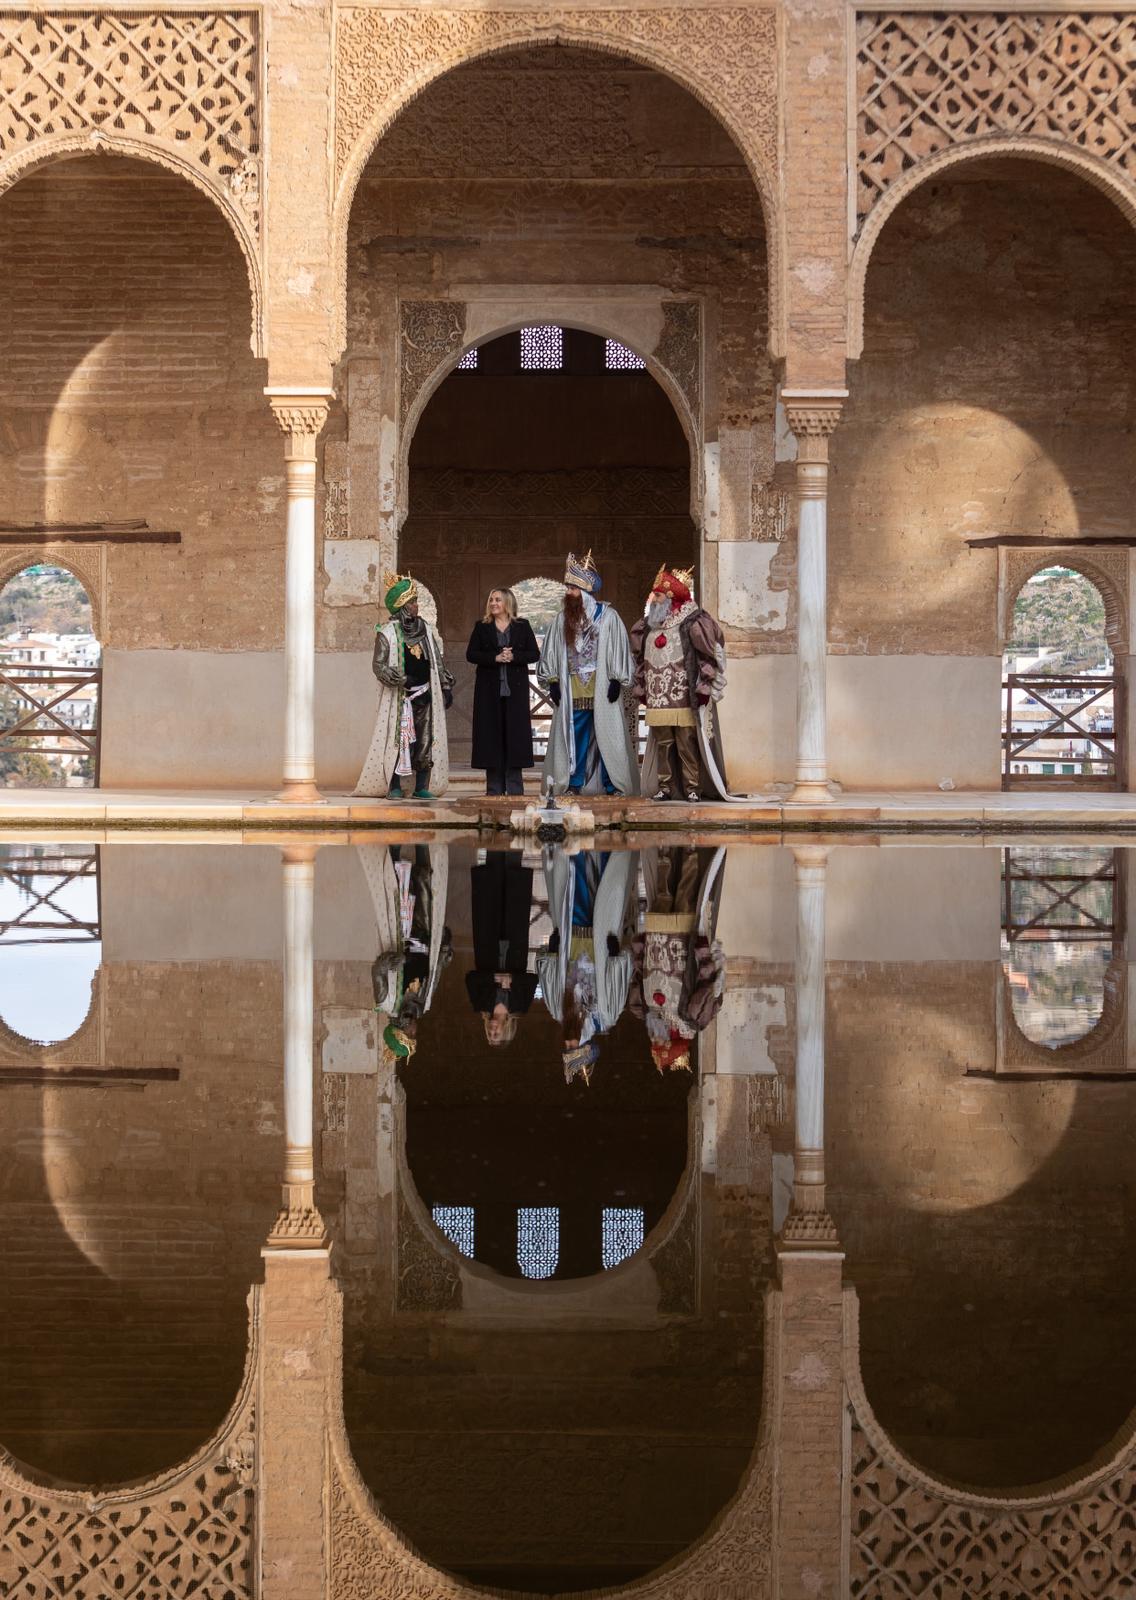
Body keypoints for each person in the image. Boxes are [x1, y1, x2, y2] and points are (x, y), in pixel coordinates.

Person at [629, 565, 736, 801]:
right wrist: (642, 687)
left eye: (656, 594)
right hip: (658, 697)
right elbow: (640, 660)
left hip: (683, 695)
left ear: (670, 596)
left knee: (687, 744)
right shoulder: (647, 625)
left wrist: (705, 686)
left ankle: (692, 789)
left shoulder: (692, 621)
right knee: (663, 743)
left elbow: (708, 655)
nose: (652, 598)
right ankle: (665, 787)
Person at [537, 551, 639, 797]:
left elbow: (618, 649)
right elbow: (551, 651)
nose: (568, 592)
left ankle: (612, 785)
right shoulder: (561, 619)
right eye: (568, 587)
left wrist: (616, 679)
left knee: (607, 736)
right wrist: (553, 680)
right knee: (574, 736)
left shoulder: (608, 618)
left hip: (603, 686)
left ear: (583, 591)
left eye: (572, 588)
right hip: (573, 687)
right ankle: (573, 783)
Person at [537, 847, 636, 1083]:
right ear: (584, 1047)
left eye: (566, 1046)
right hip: (600, 940)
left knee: (573, 876)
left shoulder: (558, 1011)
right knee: (605, 881)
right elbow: (618, 979)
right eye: (572, 1046)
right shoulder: (606, 1016)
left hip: (573, 934)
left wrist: (552, 950)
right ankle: (607, 840)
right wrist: (615, 955)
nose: (568, 1042)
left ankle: (574, 838)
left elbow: (548, 975)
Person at [354, 572, 454, 800]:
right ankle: (395, 786)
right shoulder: (386, 633)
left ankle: (421, 787)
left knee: (424, 740)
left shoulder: (425, 630)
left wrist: (446, 686)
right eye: (412, 602)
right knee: (399, 741)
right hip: (401, 697)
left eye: (415, 601)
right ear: (401, 606)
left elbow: (436, 661)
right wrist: (400, 679)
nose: (416, 606)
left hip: (425, 695)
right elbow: (378, 666)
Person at [630, 845, 726, 1073]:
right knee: (686, 892)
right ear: (673, 1046)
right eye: (661, 1047)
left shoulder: (645, 1012)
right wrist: (704, 954)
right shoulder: (692, 1020)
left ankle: (667, 849)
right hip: (683, 940)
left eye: (655, 1046)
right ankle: (691, 848)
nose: (656, 1042)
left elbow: (638, 976)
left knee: (663, 891)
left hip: (658, 937)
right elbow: (706, 984)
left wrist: (642, 948)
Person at [357, 842, 452, 1061]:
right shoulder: (424, 1003)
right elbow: (435, 972)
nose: (415, 1031)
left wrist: (394, 961)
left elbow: (379, 969)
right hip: (425, 935)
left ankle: (395, 842)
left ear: (400, 1028)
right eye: (414, 1034)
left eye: (410, 1034)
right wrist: (444, 952)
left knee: (399, 883)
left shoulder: (386, 1001)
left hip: (401, 932)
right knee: (424, 884)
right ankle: (423, 841)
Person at [466, 588, 541, 796]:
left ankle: (516, 791)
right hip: (489, 693)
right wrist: (495, 658)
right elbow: (471, 654)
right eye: (491, 599)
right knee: (491, 737)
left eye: (497, 600)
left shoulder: (522, 626)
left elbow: (534, 653)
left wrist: (514, 656)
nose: (493, 603)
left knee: (515, 738)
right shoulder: (482, 627)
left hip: (515, 693)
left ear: (507, 602)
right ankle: (494, 791)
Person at [465, 851, 539, 1046]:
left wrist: (494, 978)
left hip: (488, 944)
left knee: (490, 892)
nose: (492, 1030)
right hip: (514, 945)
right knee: (514, 891)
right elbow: (532, 980)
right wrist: (512, 979)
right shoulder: (520, 1007)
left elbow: (471, 978)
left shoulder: (480, 1005)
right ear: (506, 1030)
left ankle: (495, 846)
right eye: (496, 1034)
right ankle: (515, 844)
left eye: (489, 1034)